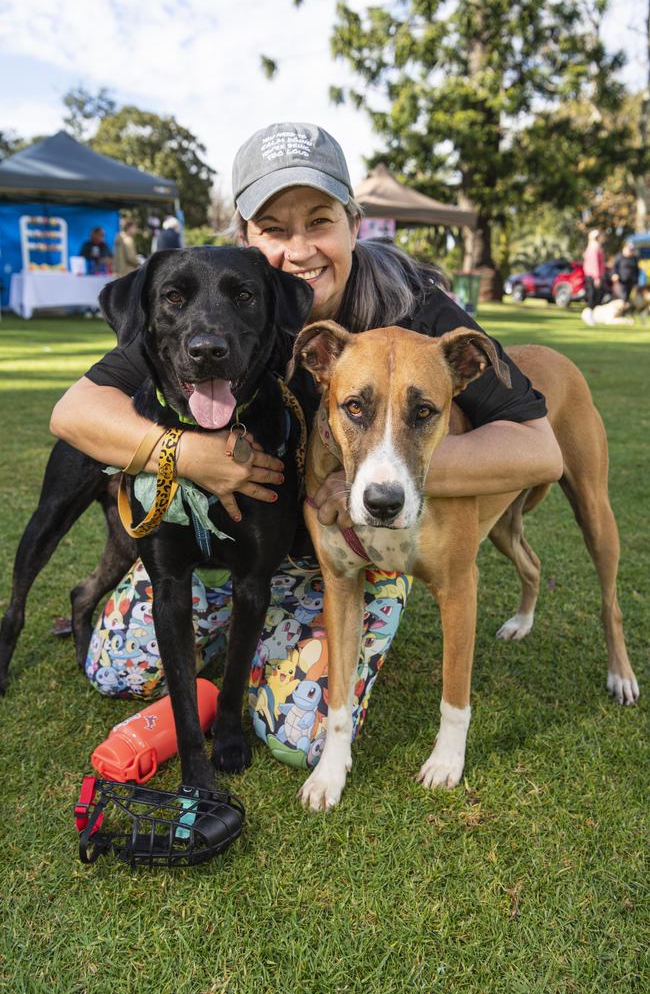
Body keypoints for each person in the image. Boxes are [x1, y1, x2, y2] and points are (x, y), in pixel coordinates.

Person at [50, 122, 562, 769]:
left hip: (359, 545)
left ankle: (295, 638)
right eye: (274, 228)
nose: (299, 249)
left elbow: (540, 451)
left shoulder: (419, 311)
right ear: (245, 239)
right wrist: (189, 456)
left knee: (300, 734)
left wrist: (377, 471)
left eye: (319, 221)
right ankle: (236, 651)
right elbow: (75, 412)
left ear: (354, 221)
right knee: (116, 666)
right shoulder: (223, 300)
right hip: (232, 549)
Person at [582, 228, 606, 325]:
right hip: (593, 276)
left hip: (594, 275)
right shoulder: (593, 248)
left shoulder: (595, 247)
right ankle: (588, 314)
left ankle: (592, 315)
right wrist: (597, 277)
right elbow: (594, 264)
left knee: (597, 296)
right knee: (593, 296)